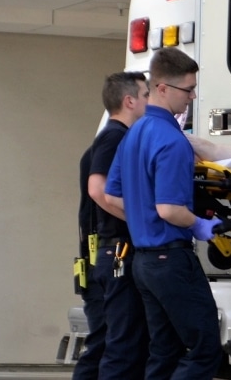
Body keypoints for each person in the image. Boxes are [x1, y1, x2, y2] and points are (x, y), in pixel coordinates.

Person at [105, 47, 224, 380]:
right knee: (204, 350)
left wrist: (144, 220)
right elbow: (170, 209)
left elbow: (112, 196)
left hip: (143, 263)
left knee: (164, 350)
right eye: (188, 89)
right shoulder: (172, 141)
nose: (193, 96)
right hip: (171, 262)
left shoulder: (133, 136)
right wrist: (199, 224)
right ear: (162, 89)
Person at [74, 71, 151, 380]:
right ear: (129, 101)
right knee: (119, 349)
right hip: (114, 256)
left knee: (105, 345)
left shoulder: (110, 138)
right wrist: (145, 222)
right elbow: (98, 190)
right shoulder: (115, 137)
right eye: (146, 95)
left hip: (100, 259)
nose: (150, 100)